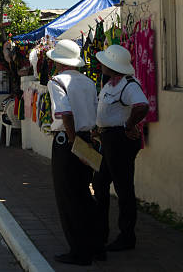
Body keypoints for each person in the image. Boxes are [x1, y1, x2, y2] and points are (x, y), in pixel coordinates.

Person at [46, 40, 103, 266]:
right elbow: (94, 113)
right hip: (87, 138)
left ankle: (79, 251)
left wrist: (73, 143)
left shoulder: (57, 82)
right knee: (84, 195)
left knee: (69, 198)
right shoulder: (88, 82)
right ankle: (97, 245)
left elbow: (66, 114)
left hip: (67, 142)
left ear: (58, 61)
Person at [93, 44, 149, 252]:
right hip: (109, 138)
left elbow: (142, 106)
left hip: (120, 140)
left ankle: (127, 236)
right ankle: (101, 230)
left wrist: (128, 125)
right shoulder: (110, 83)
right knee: (99, 183)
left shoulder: (128, 85)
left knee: (123, 187)